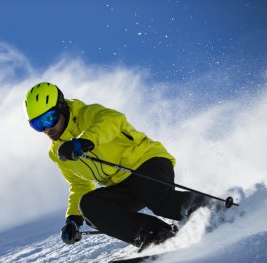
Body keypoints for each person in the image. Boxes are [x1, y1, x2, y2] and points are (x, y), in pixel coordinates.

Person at [24, 82, 206, 251]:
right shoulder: (58, 152)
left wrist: (84, 141)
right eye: (37, 125)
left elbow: (113, 120)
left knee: (161, 203)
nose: (47, 129)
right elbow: (79, 185)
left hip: (146, 163)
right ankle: (156, 236)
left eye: (49, 118)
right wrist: (73, 220)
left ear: (62, 108)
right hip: (123, 185)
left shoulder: (88, 114)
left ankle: (209, 210)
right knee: (89, 206)